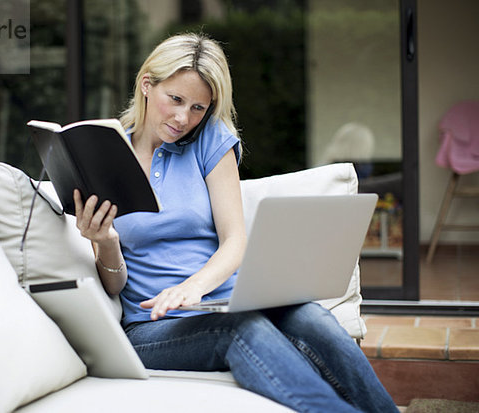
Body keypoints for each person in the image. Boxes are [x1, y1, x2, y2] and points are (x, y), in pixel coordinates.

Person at [73, 32, 398, 413]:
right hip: (152, 326)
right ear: (147, 85)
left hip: (224, 302)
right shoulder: (106, 154)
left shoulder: (210, 139)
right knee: (242, 331)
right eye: (175, 99)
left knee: (312, 317)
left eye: (198, 107)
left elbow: (234, 241)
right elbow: (113, 283)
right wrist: (106, 241)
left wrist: (195, 287)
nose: (183, 118)